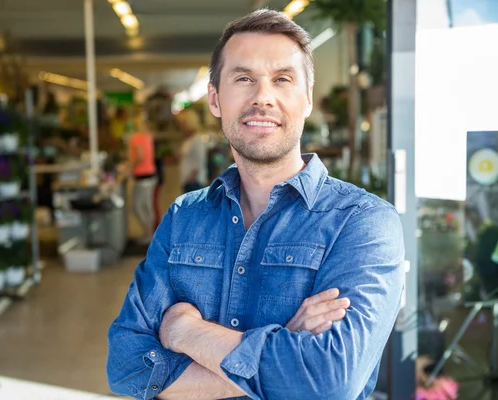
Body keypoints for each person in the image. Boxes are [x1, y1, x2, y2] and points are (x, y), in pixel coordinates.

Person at [108, 9, 404, 400]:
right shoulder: (184, 217)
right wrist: (287, 348)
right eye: (243, 78)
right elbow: (126, 367)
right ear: (215, 99)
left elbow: (329, 382)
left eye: (283, 79)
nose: (263, 97)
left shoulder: (362, 222)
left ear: (307, 99)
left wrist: (186, 332)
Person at [128, 109, 158, 244]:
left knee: (137, 206)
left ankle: (147, 233)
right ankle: (150, 233)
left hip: (141, 176)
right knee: (147, 205)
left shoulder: (137, 138)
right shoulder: (148, 137)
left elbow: (139, 156)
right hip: (151, 175)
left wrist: (130, 166)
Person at [176, 108, 209, 193]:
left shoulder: (196, 139)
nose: (181, 126)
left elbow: (200, 159)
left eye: (183, 123)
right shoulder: (188, 139)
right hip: (187, 181)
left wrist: (192, 177)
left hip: (194, 182)